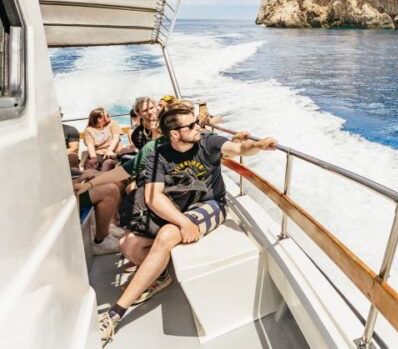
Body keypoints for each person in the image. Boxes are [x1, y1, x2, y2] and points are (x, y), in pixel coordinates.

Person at [97, 103, 278, 345]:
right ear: (174, 134)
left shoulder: (208, 141)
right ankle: (160, 276)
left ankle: (115, 314)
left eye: (196, 123)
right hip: (180, 207)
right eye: (191, 125)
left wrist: (256, 145)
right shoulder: (159, 155)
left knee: (167, 235)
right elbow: (152, 197)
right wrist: (183, 221)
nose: (197, 127)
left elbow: (238, 147)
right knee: (127, 245)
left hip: (211, 203)